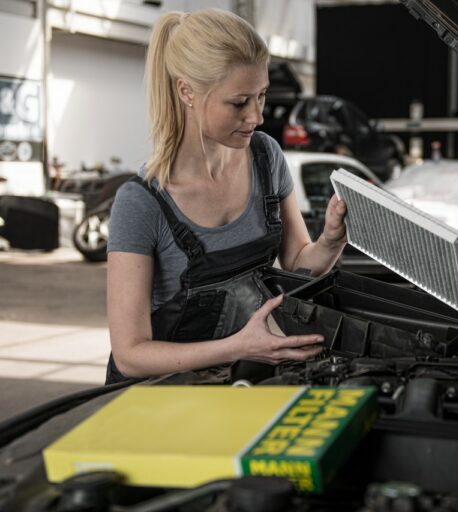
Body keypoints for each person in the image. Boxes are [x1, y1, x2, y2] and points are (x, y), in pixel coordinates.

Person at [105, 9, 347, 384]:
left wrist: (331, 240)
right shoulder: (142, 203)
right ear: (187, 91)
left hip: (237, 381)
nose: (257, 115)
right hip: (155, 401)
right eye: (239, 102)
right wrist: (239, 346)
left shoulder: (266, 158)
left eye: (262, 96)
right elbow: (131, 355)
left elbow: (299, 263)